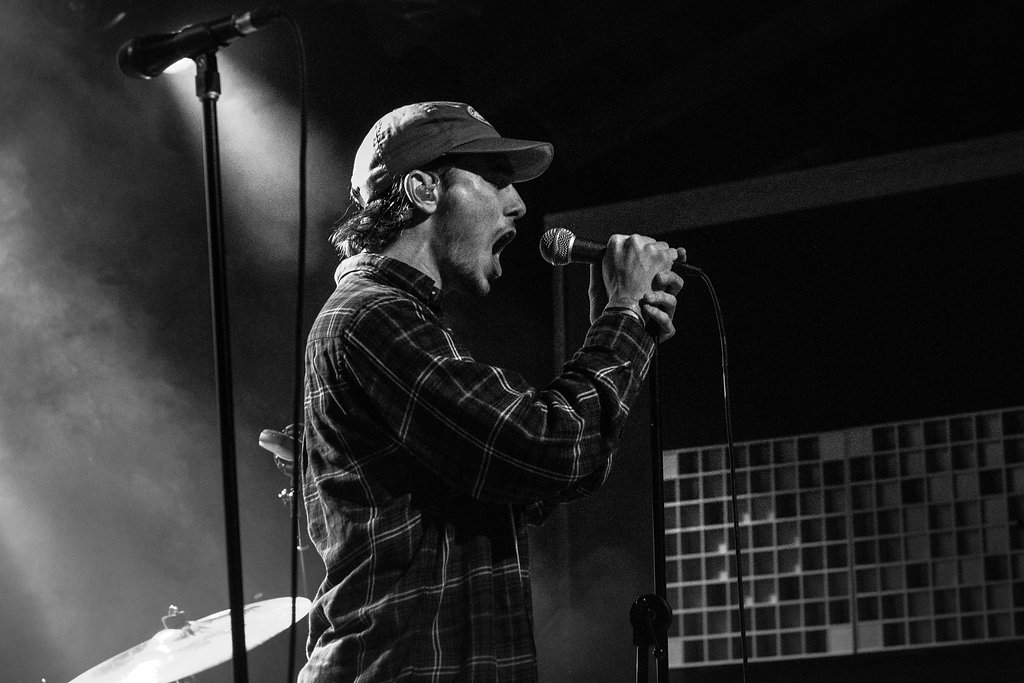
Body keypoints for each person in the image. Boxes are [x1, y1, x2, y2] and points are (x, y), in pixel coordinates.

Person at [268, 101, 685, 682]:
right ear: (423, 189)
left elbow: (542, 478)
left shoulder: (401, 323)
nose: (517, 204)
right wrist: (621, 317)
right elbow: (547, 447)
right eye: (494, 179)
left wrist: (622, 323)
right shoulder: (371, 317)